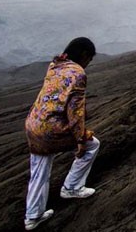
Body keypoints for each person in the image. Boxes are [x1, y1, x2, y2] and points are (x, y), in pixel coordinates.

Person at [24, 37, 99, 231]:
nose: (88, 64)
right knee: (92, 145)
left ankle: (33, 216)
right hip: (52, 130)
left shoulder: (55, 66)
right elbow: (76, 112)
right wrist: (81, 139)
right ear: (83, 55)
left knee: (39, 170)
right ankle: (72, 187)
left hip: (33, 125)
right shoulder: (78, 74)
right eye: (89, 60)